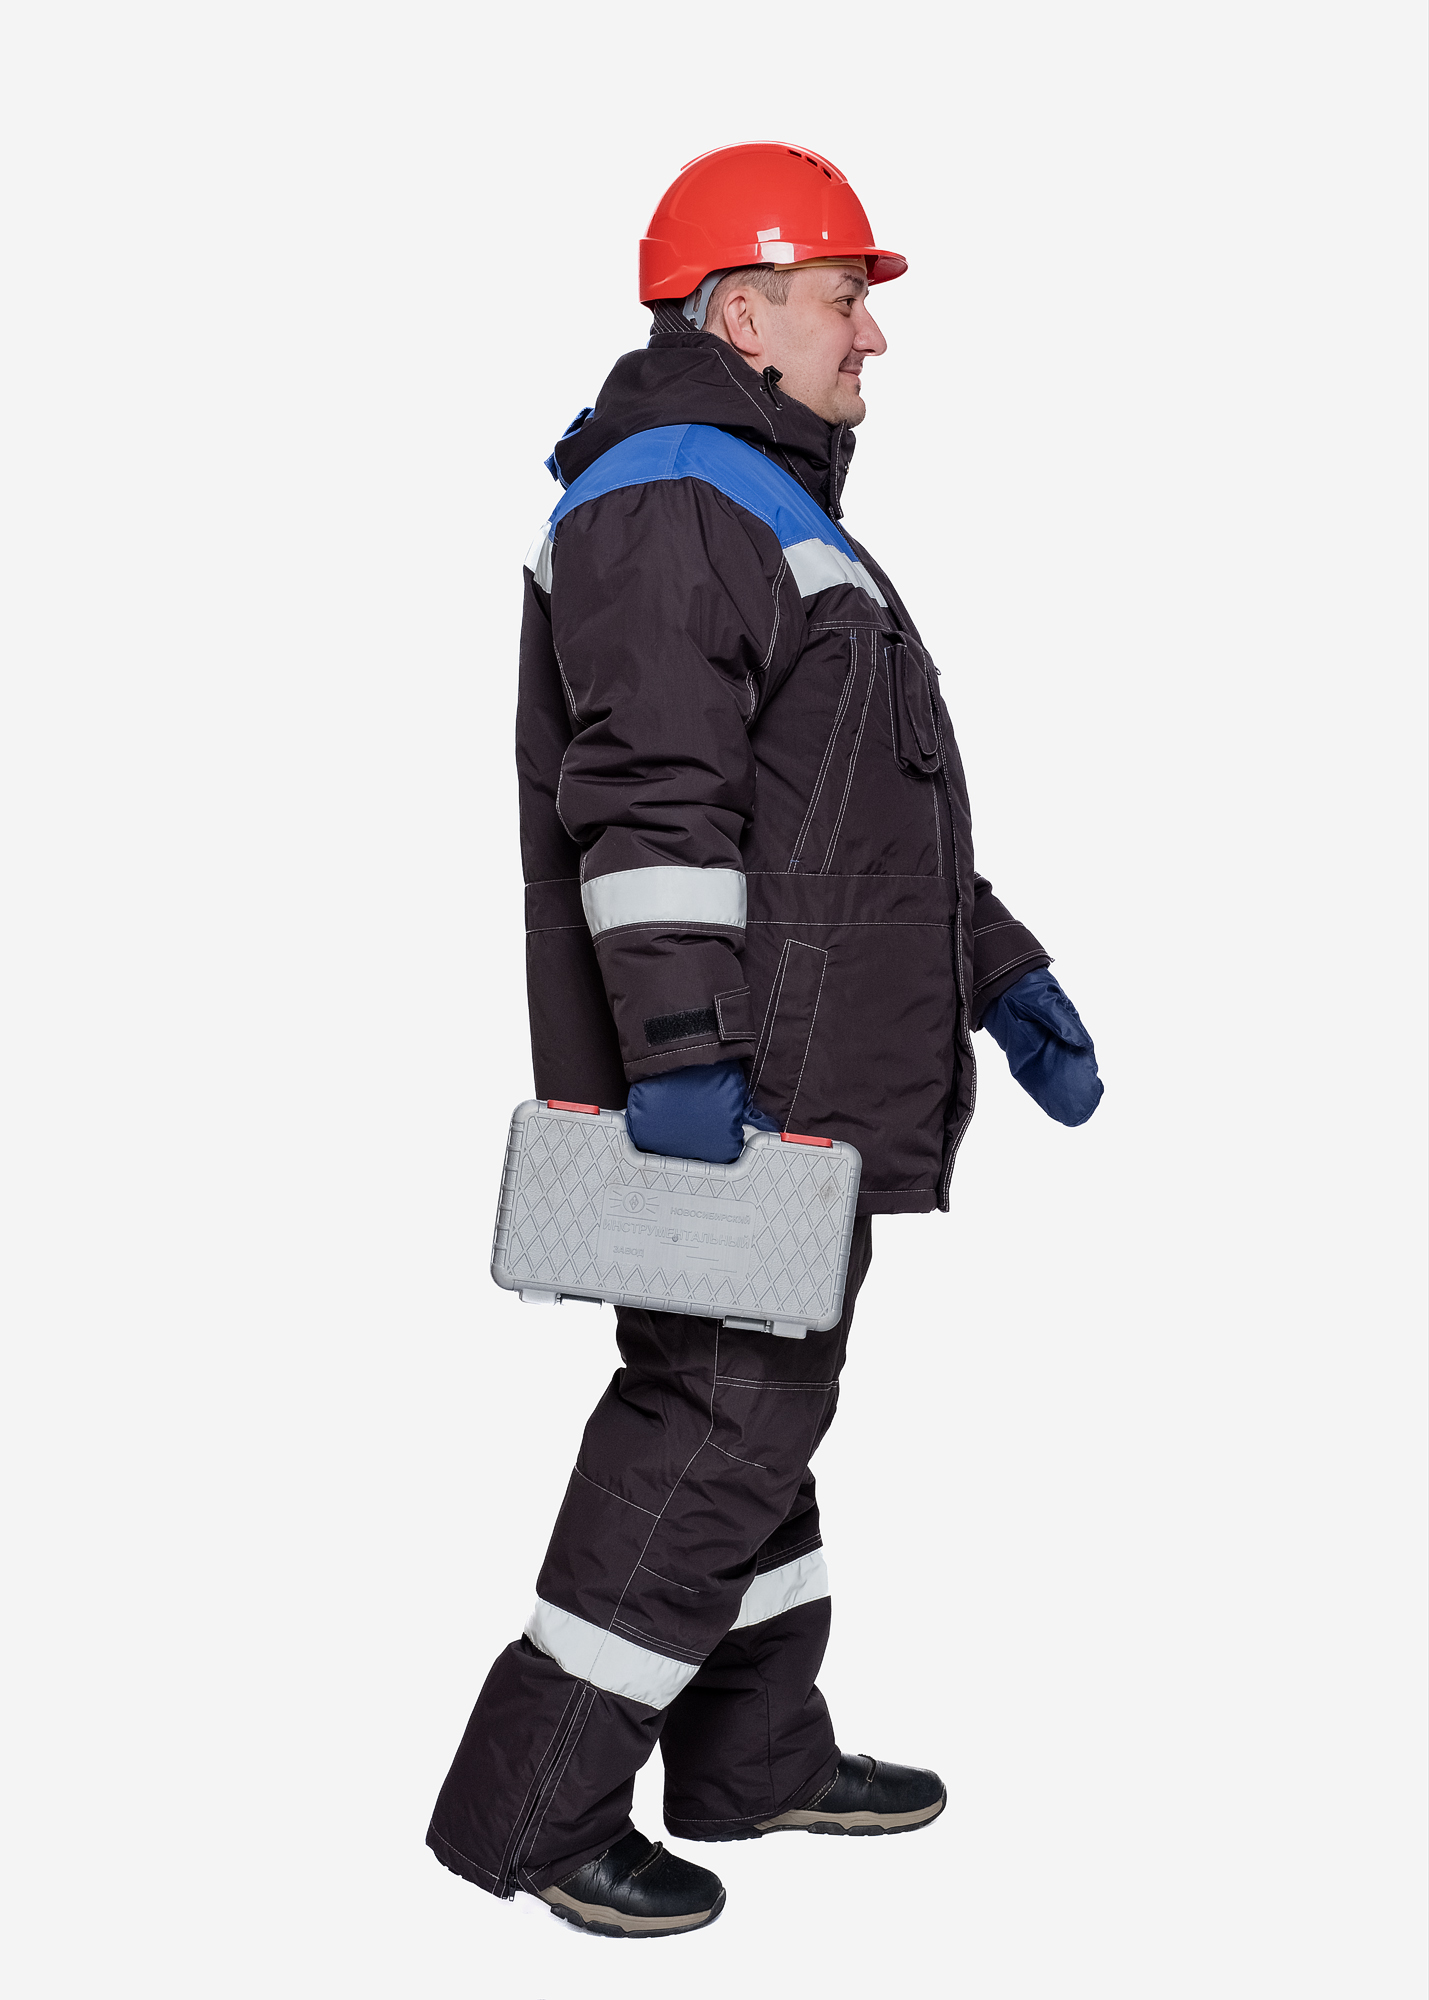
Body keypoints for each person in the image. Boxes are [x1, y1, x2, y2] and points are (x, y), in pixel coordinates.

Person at [426, 141, 1103, 1939]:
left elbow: (851, 816)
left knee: (756, 1414)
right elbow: (649, 805)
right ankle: (534, 1813)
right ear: (741, 314)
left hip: (790, 1077)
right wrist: (682, 1057)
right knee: (716, 1419)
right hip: (744, 1089)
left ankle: (751, 1758)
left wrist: (1000, 970)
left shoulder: (752, 500)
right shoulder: (673, 501)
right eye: (842, 299)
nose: (871, 337)